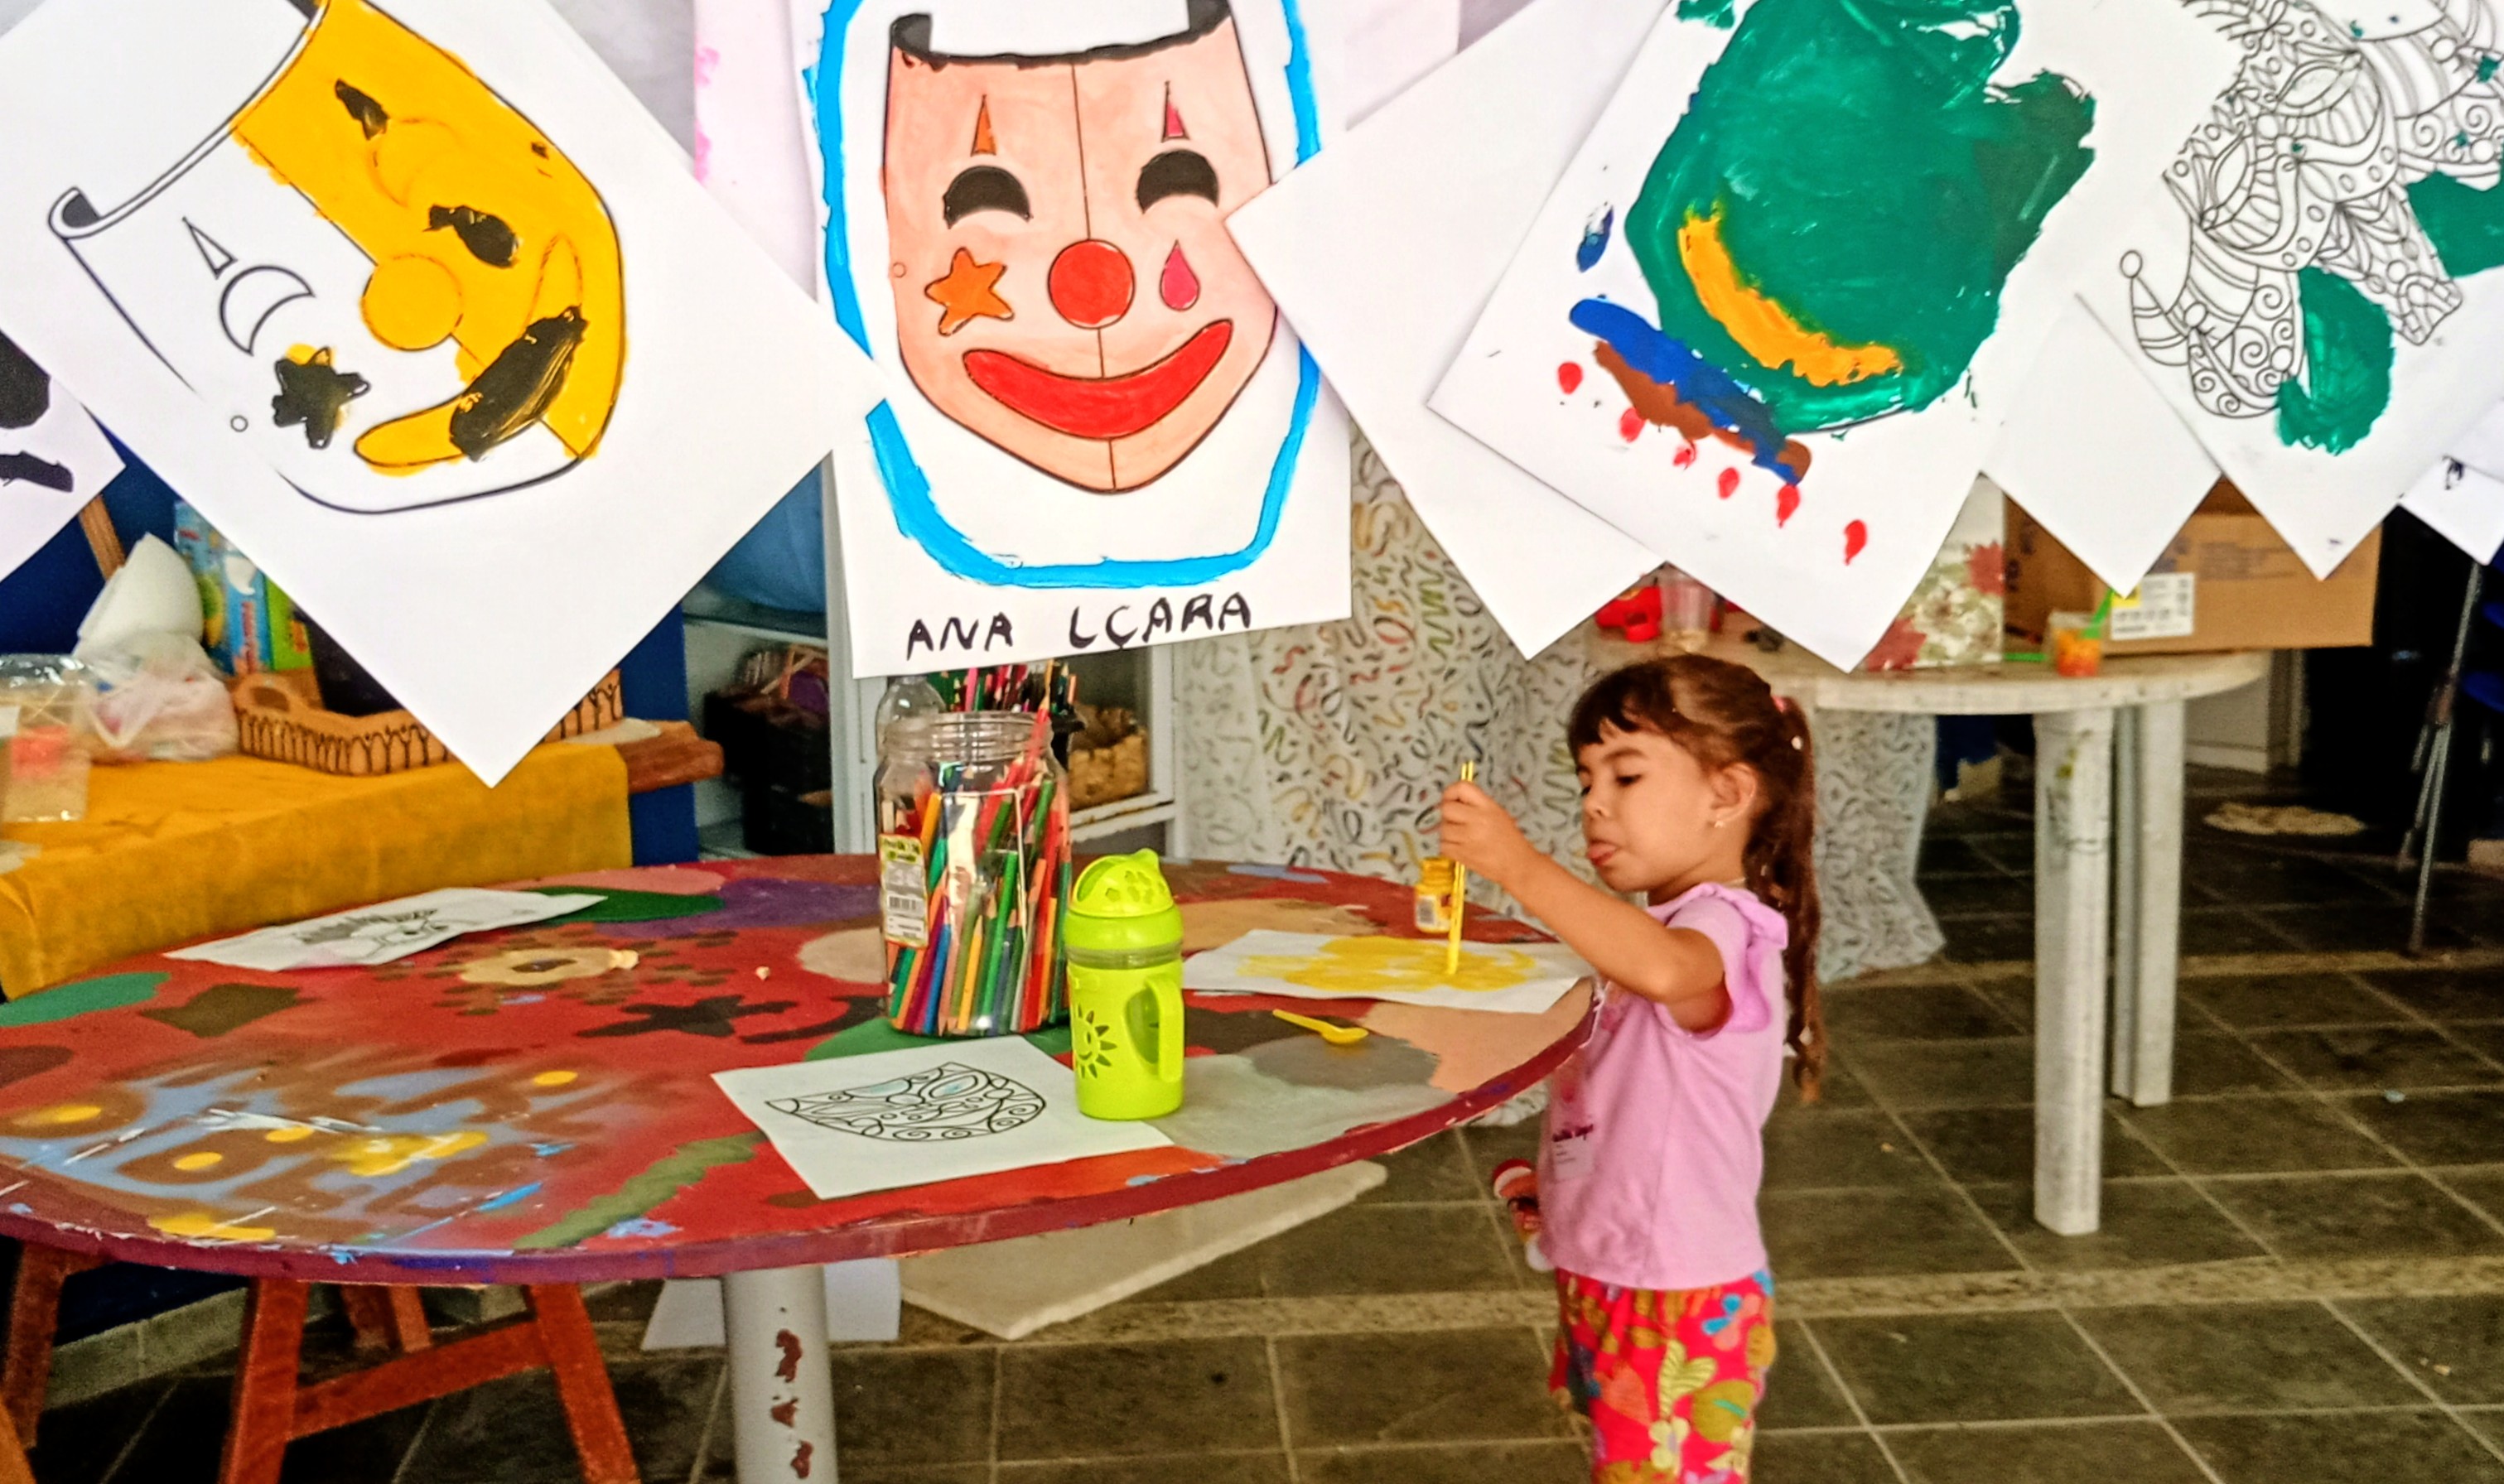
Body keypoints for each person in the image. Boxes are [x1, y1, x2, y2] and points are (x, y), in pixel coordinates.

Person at [1439, 653, 1824, 1484]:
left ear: (1727, 794)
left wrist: (1517, 865)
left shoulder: (1723, 926)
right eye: (1584, 780)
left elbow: (1663, 968)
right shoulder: (1662, 922)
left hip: (1675, 1294)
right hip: (1612, 1265)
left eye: (1625, 774)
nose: (1593, 803)